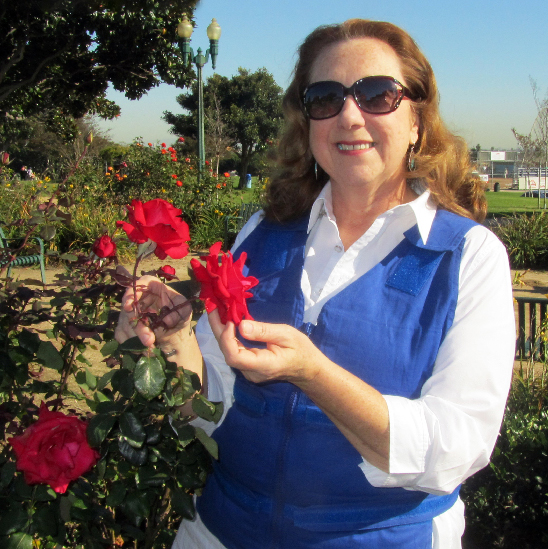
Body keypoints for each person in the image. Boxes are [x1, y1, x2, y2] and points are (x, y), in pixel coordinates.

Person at [115, 19, 515, 549]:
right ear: (307, 122)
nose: (350, 115)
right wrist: (172, 342)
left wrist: (315, 375)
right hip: (220, 533)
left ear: (417, 119)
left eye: (378, 94)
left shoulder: (467, 256)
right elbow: (211, 405)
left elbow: (459, 445)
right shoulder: (263, 233)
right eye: (325, 98)